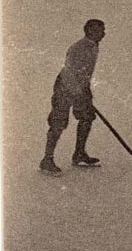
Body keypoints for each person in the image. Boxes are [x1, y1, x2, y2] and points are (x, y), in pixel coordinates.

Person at [40, 19, 106, 175]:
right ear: (90, 31)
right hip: (64, 86)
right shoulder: (78, 48)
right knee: (59, 122)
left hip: (81, 87)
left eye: (103, 30)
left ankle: (79, 154)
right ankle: (47, 160)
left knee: (87, 117)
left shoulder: (94, 46)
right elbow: (69, 73)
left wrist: (85, 89)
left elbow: (84, 71)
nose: (104, 33)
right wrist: (78, 92)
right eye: (100, 30)